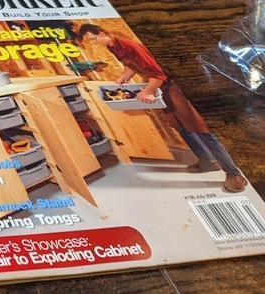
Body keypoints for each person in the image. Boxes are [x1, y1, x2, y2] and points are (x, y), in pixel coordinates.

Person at [76, 23, 247, 193]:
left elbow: (158, 74)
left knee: (199, 128)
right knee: (179, 127)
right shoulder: (113, 47)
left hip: (172, 87)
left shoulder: (131, 46)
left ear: (101, 33)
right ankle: (206, 161)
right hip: (161, 89)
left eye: (94, 39)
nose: (94, 43)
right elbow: (131, 65)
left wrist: (147, 91)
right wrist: (124, 76)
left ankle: (234, 174)